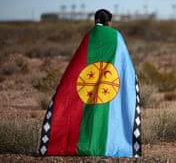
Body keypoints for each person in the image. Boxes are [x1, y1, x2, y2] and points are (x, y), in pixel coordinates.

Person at [39, 9, 141, 157]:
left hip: (88, 84)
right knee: (105, 115)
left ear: (95, 20)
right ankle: (106, 146)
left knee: (89, 114)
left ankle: (84, 145)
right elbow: (124, 63)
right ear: (109, 22)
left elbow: (77, 64)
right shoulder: (116, 36)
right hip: (110, 84)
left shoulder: (89, 36)